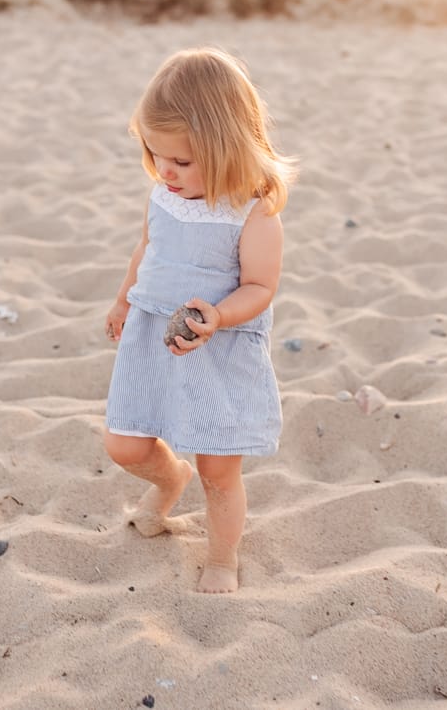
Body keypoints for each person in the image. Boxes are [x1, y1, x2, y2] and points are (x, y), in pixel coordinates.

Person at [103, 47, 297, 594]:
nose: (165, 171)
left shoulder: (253, 212)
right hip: (151, 337)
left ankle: (221, 557)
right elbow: (147, 249)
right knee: (126, 445)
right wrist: (124, 300)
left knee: (219, 471)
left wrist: (219, 315)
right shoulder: (164, 196)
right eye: (155, 154)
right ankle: (169, 478)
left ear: (227, 147)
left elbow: (260, 286)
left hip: (218, 349)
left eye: (182, 162)